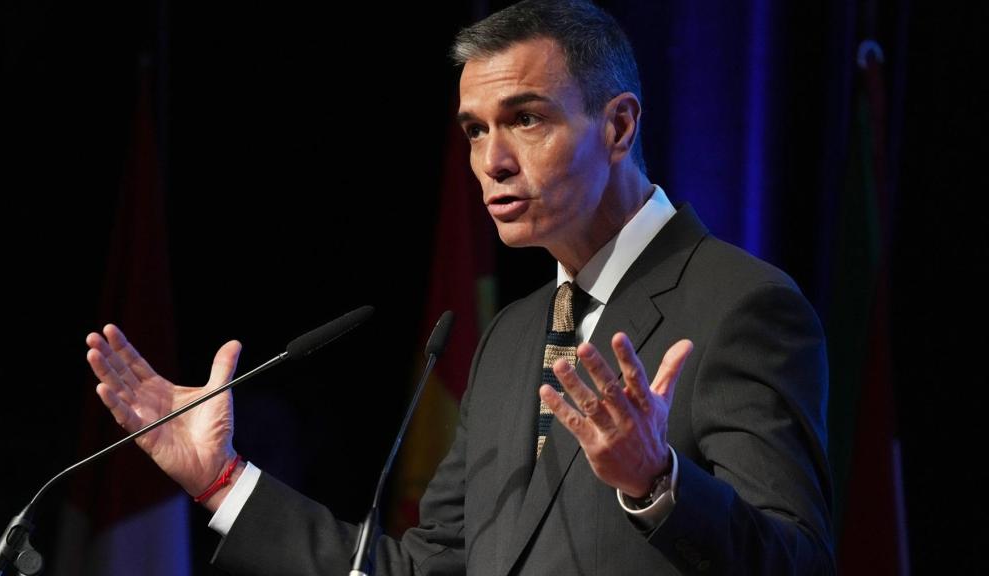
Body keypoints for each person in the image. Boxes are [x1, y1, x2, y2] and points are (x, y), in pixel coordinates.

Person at [86, 1, 833, 573]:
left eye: (526, 120)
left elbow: (799, 562)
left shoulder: (743, 305)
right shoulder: (510, 337)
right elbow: (421, 569)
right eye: (475, 130)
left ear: (618, 127)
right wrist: (220, 479)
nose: (492, 161)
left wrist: (655, 484)